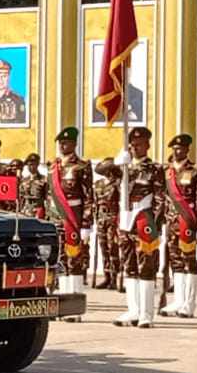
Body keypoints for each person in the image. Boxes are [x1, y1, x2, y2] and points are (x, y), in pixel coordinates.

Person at [97, 127, 164, 328]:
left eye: (139, 145)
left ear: (148, 145)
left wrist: (157, 225)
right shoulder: (121, 167)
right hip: (125, 219)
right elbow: (99, 169)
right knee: (129, 266)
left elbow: (160, 198)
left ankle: (146, 313)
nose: (135, 148)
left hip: (144, 218)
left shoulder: (154, 169)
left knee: (146, 266)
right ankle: (133, 310)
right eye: (133, 145)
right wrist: (118, 160)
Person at [48, 127, 93, 321]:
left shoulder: (82, 166)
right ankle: (62, 305)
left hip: (73, 217)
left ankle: (74, 308)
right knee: (60, 261)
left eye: (66, 143)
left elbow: (89, 197)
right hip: (56, 218)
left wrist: (85, 224)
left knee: (74, 261)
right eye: (60, 143)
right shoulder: (53, 167)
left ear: (74, 144)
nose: (62, 146)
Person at [160, 134, 197, 318]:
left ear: (187, 150)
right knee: (176, 261)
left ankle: (189, 303)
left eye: (181, 148)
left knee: (189, 261)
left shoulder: (195, 171)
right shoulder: (167, 172)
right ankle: (178, 301)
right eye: (175, 148)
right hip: (171, 222)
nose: (177, 151)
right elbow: (162, 198)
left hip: (188, 221)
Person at [93, 159, 122, 291]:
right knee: (104, 248)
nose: (108, 173)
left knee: (113, 248)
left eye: (110, 170)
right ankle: (107, 276)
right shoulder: (98, 184)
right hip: (101, 218)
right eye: (106, 170)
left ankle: (115, 277)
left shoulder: (118, 184)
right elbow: (94, 202)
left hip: (113, 218)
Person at [19, 153, 48, 218]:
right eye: (29, 165)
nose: (31, 167)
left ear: (37, 165)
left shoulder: (43, 179)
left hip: (38, 210)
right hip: (25, 210)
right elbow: (21, 197)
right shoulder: (24, 180)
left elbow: (47, 198)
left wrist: (47, 213)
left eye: (33, 164)